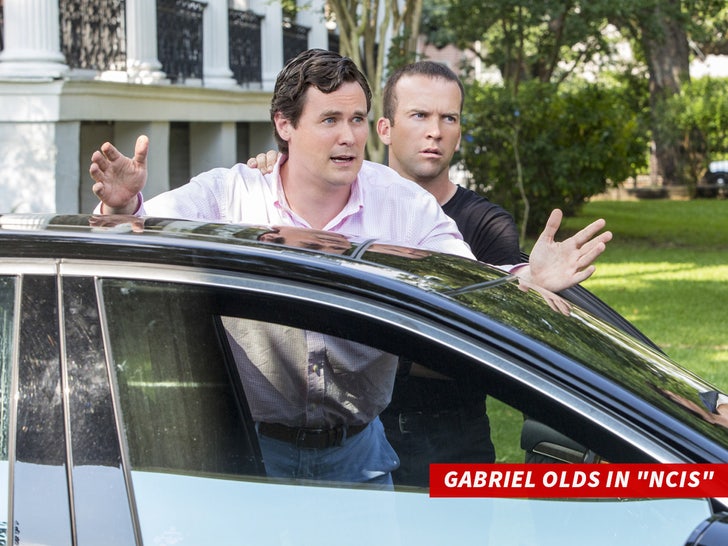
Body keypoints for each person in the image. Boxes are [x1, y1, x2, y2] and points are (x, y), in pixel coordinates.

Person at [90, 49, 611, 486]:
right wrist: (124, 207)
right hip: (251, 457)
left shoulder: (401, 204)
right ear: (285, 125)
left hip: (359, 459)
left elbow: (463, 281)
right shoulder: (231, 194)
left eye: (357, 119)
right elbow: (136, 241)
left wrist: (524, 280)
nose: (349, 136)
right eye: (330, 120)